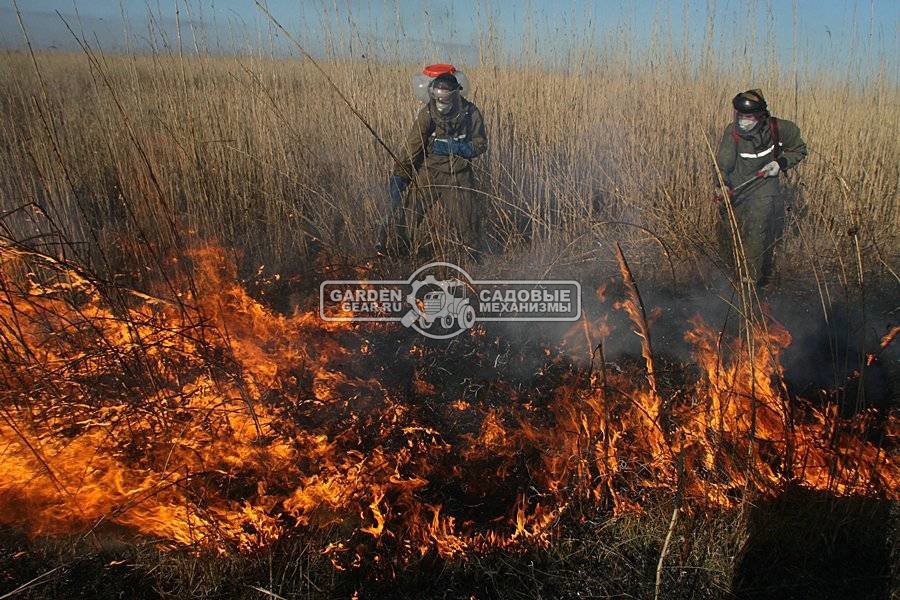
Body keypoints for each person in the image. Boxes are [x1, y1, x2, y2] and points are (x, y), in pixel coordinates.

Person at [375, 71, 488, 262]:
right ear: (432, 94)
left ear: (455, 94)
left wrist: (460, 148)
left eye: (445, 97)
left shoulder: (470, 112)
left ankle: (472, 258)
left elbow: (481, 144)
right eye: (438, 97)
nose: (441, 102)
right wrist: (400, 175)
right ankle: (400, 253)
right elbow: (413, 146)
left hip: (458, 175)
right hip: (429, 171)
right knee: (409, 212)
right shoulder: (428, 113)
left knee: (466, 219)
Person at [714, 89, 807, 289]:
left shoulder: (779, 128)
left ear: (760, 115)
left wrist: (780, 163)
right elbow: (722, 165)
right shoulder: (732, 133)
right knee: (730, 231)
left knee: (757, 230)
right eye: (740, 116)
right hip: (737, 188)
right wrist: (722, 185)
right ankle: (732, 272)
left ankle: (749, 281)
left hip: (765, 187)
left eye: (749, 117)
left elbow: (799, 149)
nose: (743, 121)